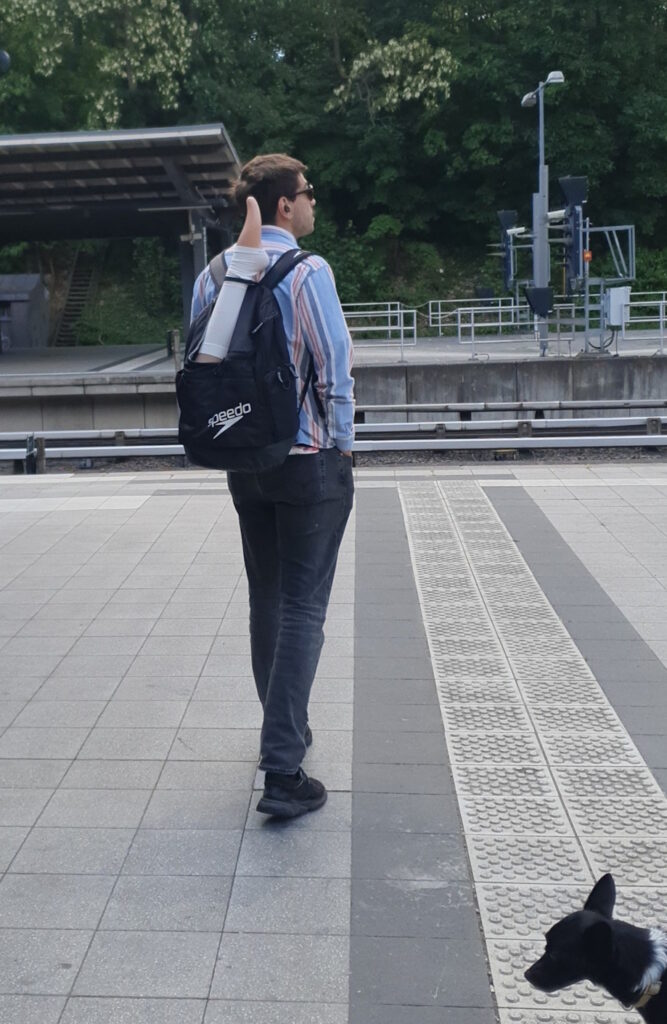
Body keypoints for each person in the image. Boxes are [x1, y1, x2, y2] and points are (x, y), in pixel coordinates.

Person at [191, 153, 355, 818]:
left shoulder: (213, 275)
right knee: (303, 609)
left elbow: (200, 364)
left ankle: (284, 728)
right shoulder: (307, 271)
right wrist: (342, 441)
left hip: (245, 460)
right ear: (284, 205)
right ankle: (283, 768)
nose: (313, 202)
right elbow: (333, 362)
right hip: (307, 458)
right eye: (308, 192)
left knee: (267, 599)